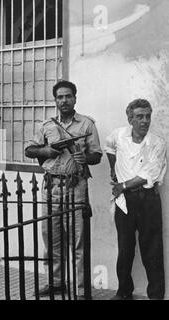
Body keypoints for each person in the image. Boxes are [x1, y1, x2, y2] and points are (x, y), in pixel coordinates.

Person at [25, 80, 102, 297]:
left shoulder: (87, 125)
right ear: (55, 100)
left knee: (78, 240)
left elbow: (97, 155)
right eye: (60, 97)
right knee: (51, 238)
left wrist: (84, 157)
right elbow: (29, 150)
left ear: (75, 98)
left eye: (68, 96)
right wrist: (46, 151)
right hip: (51, 186)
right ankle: (55, 282)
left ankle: (80, 288)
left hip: (75, 185)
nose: (64, 100)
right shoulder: (46, 126)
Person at [105, 99, 166, 300]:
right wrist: (114, 171)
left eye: (148, 116)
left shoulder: (157, 143)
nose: (144, 121)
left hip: (148, 200)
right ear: (130, 118)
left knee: (153, 251)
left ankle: (156, 296)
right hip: (125, 202)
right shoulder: (119, 135)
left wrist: (122, 185)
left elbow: (150, 174)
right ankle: (123, 293)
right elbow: (109, 147)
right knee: (125, 249)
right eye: (139, 116)